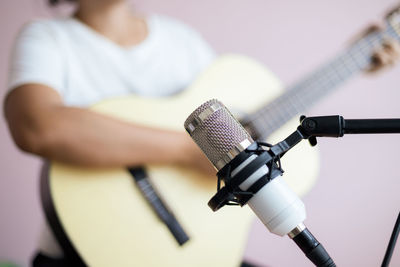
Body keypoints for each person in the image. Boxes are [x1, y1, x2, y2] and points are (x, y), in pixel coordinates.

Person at [4, 0, 400, 266]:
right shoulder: (47, 38)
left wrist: (352, 60)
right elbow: (38, 126)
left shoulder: (180, 41)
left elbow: (241, 134)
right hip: (79, 254)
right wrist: (186, 149)